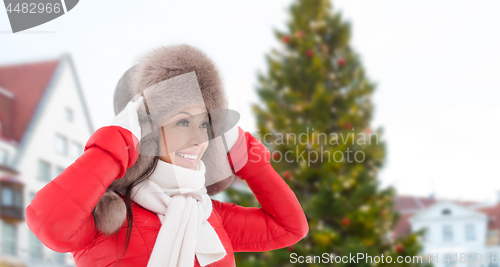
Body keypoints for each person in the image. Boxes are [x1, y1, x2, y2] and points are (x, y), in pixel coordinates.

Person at [25, 44, 308, 267]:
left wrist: (245, 153)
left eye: (205, 125)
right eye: (183, 122)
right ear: (144, 131)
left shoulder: (207, 213)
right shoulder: (105, 214)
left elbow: (290, 228)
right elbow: (50, 225)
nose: (199, 139)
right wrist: (118, 137)